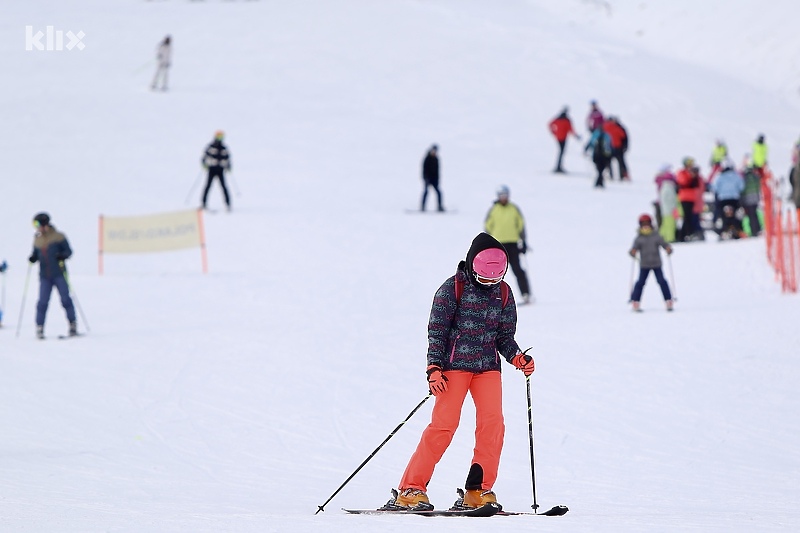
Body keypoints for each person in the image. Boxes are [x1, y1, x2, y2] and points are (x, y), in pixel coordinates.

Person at [381, 232, 535, 511]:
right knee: (444, 426)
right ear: (473, 267)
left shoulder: (503, 293)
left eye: (495, 279)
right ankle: (410, 489)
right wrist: (433, 368)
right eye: (485, 278)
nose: (490, 284)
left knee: (493, 425)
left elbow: (504, 336)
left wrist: (517, 357)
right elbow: (436, 332)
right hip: (452, 367)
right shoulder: (452, 289)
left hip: (487, 368)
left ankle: (478, 490)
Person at [28, 213, 78, 339]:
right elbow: (35, 253)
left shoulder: (58, 237)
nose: (36, 228)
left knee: (66, 299)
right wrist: (33, 258)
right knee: (42, 302)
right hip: (45, 276)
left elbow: (69, 251)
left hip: (59, 274)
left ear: (45, 224)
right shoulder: (37, 239)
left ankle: (72, 324)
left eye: (38, 224)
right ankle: (39, 327)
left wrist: (62, 255)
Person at [484, 186, 531, 304]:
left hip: (513, 244)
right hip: (498, 245)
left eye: (505, 196)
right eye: (501, 196)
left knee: (518, 270)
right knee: (494, 272)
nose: (504, 198)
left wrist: (523, 241)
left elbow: (521, 225)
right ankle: (491, 297)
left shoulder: (514, 209)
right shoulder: (494, 210)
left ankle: (526, 294)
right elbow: (488, 227)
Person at [629, 214, 674, 312]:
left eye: (647, 224)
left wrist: (668, 248)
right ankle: (635, 301)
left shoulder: (656, 236)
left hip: (656, 264)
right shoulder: (639, 238)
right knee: (640, 283)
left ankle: (668, 300)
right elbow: (634, 248)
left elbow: (664, 243)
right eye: (643, 225)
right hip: (644, 265)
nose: (646, 227)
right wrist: (632, 252)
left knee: (662, 281)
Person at [711, 160, 745, 239]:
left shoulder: (720, 177)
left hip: (723, 199)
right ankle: (736, 230)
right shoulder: (737, 176)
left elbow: (715, 187)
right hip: (734, 199)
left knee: (723, 215)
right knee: (735, 216)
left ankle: (724, 230)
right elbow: (741, 187)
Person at [201, 130, 232, 211]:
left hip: (220, 170)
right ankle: (203, 203)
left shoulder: (224, 148)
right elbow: (205, 156)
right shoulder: (211, 146)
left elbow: (227, 158)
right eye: (218, 136)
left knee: (224, 187)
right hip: (212, 169)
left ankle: (228, 204)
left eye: (221, 137)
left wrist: (228, 166)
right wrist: (204, 163)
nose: (220, 138)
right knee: (208, 186)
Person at [675, 157, 704, 241]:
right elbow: (683, 182)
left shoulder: (694, 174)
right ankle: (684, 234)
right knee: (687, 217)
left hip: (692, 198)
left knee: (690, 217)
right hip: (685, 198)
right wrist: (691, 176)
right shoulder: (682, 173)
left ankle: (685, 234)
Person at [548, 107, 580, 173]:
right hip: (564, 138)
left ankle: (558, 166)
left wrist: (553, 132)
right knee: (561, 152)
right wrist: (576, 136)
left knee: (561, 152)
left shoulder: (557, 118)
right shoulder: (567, 120)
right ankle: (559, 167)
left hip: (558, 137)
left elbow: (550, 124)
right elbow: (571, 129)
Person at [655, 165, 678, 242]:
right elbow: (672, 200)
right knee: (670, 225)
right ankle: (669, 238)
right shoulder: (668, 188)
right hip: (669, 210)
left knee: (665, 224)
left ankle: (661, 237)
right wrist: (674, 209)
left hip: (665, 210)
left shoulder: (664, 187)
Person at [603, 116, 629, 180]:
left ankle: (609, 175)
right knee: (621, 162)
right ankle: (623, 175)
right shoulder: (618, 127)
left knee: (608, 162)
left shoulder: (604, 127)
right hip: (618, 147)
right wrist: (625, 146)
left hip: (608, 148)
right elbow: (623, 136)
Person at [740, 160, 762, 236]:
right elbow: (758, 186)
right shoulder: (756, 178)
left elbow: (742, 189)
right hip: (755, 199)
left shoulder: (744, 179)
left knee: (750, 215)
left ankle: (753, 230)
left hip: (747, 200)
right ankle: (758, 228)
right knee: (755, 214)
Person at [421, 145, 444, 212]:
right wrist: (425, 178)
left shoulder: (436, 159)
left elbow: (437, 171)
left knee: (439, 192)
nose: (434, 152)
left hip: (434, 179)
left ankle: (439, 206)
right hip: (427, 178)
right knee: (426, 192)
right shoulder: (427, 158)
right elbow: (424, 170)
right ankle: (423, 207)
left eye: (435, 151)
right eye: (433, 151)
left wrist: (437, 179)